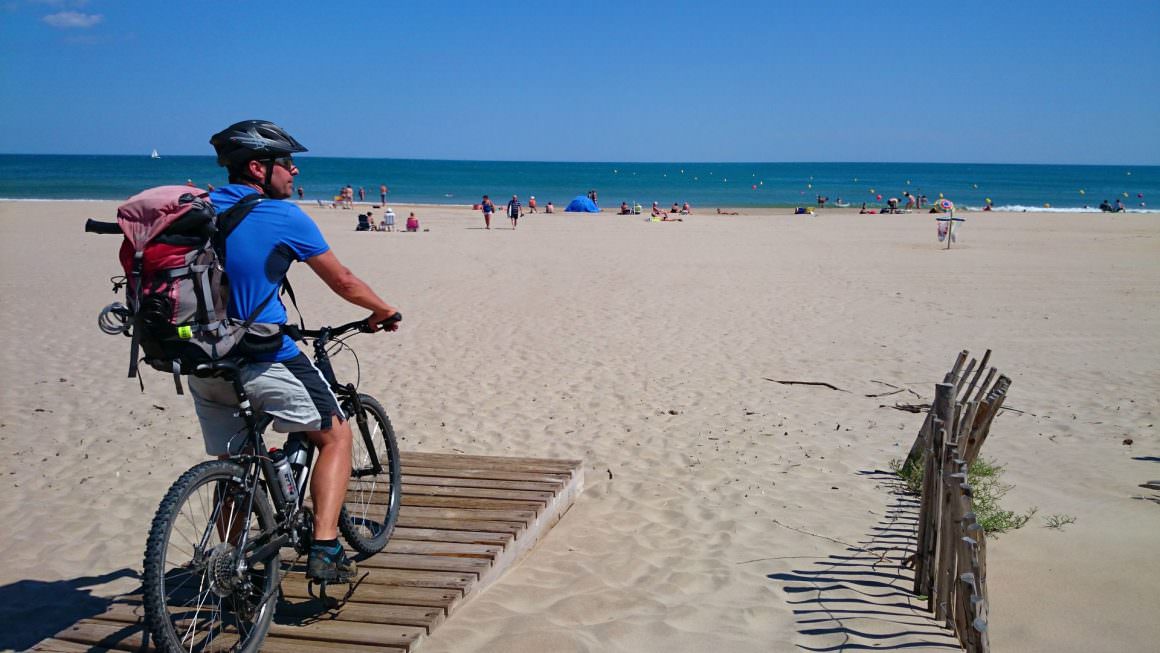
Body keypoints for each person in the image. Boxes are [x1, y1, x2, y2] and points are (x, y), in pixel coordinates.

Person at [203, 120, 399, 583]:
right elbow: (344, 282)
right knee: (335, 435)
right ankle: (327, 547)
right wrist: (384, 309)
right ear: (257, 168)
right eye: (285, 164)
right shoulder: (282, 216)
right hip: (261, 353)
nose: (293, 172)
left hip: (201, 357)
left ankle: (232, 564)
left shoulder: (197, 209)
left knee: (234, 463)